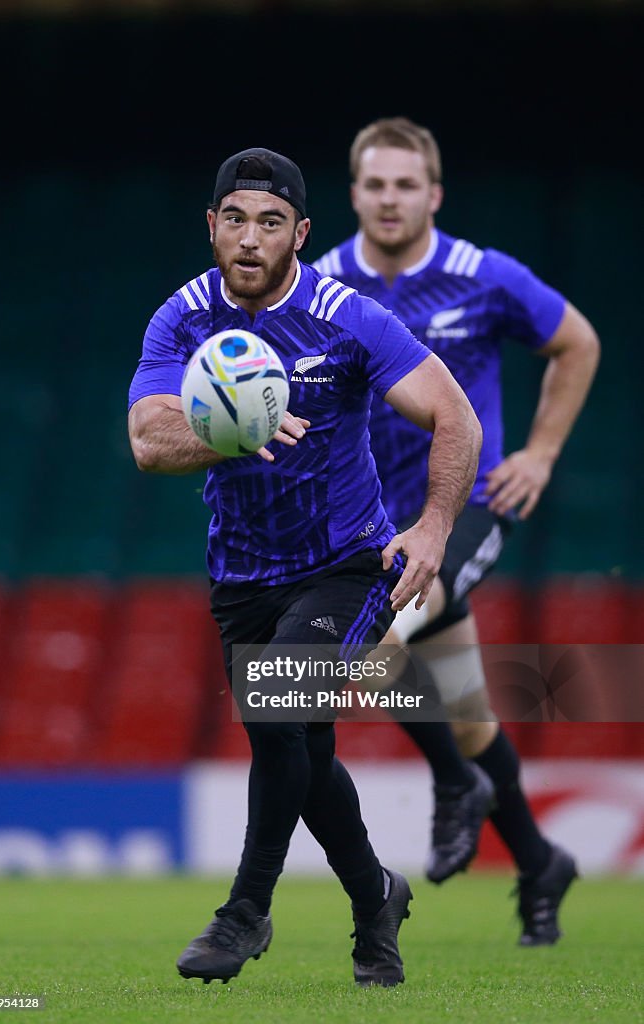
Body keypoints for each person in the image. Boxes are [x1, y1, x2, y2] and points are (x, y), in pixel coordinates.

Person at [127, 147, 482, 986]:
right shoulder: (180, 319)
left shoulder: (345, 317)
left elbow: (454, 417)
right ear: (213, 226)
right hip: (241, 578)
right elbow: (146, 441)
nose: (251, 239)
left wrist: (431, 530)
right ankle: (376, 902)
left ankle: (244, 911)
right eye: (236, 220)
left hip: (348, 565)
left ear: (300, 234)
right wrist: (232, 430)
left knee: (282, 715)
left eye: (272, 222)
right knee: (304, 751)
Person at [313, 117, 600, 946]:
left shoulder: (484, 276)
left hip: (467, 506)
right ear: (355, 193)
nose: (390, 198)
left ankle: (449, 784)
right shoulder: (325, 285)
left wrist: (540, 454)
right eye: (375, 184)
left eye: (406, 185)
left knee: (379, 631)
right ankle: (540, 859)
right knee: (468, 715)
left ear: (432, 194)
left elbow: (576, 343)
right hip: (369, 523)